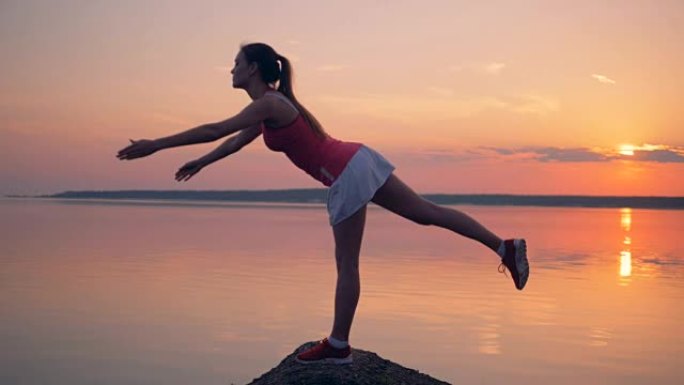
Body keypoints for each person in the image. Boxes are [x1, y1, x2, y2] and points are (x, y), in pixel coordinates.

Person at [117, 42, 529, 365]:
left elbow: (213, 128)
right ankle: (504, 246)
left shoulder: (270, 103)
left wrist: (157, 145)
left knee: (349, 264)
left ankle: (338, 346)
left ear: (253, 68)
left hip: (345, 172)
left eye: (236, 62)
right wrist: (202, 163)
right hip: (356, 158)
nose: (231, 69)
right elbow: (232, 139)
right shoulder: (270, 108)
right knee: (427, 214)